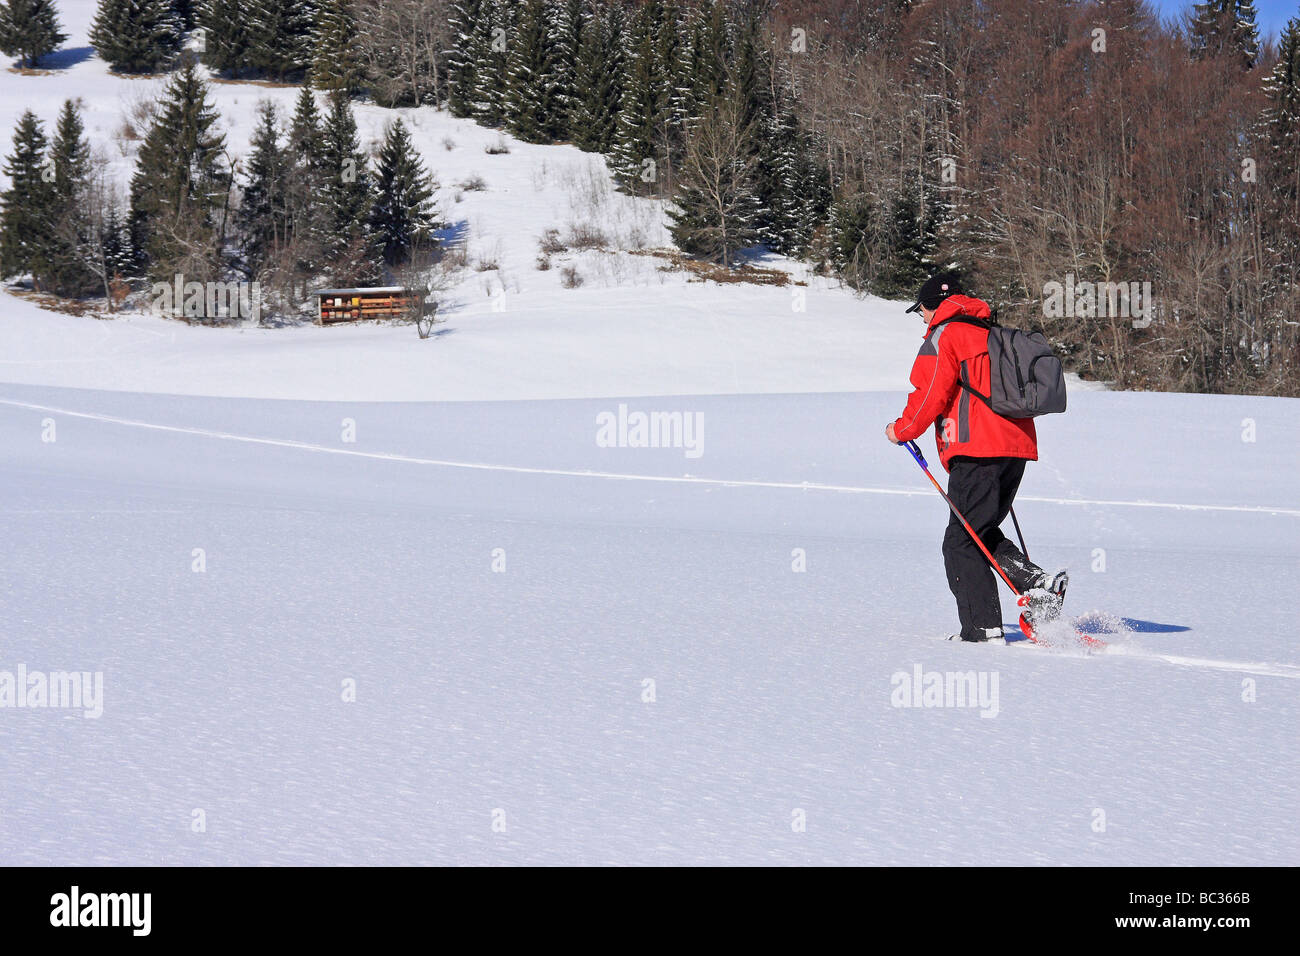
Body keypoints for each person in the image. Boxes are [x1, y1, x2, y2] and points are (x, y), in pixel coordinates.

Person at [885, 274, 1066, 642]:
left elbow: (930, 391)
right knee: (977, 530)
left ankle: (981, 630)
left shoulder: (946, 335)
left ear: (931, 305)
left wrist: (902, 429)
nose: (921, 318)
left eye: (920, 310)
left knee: (960, 541)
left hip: (976, 449)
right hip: (1015, 447)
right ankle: (1036, 582)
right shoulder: (992, 332)